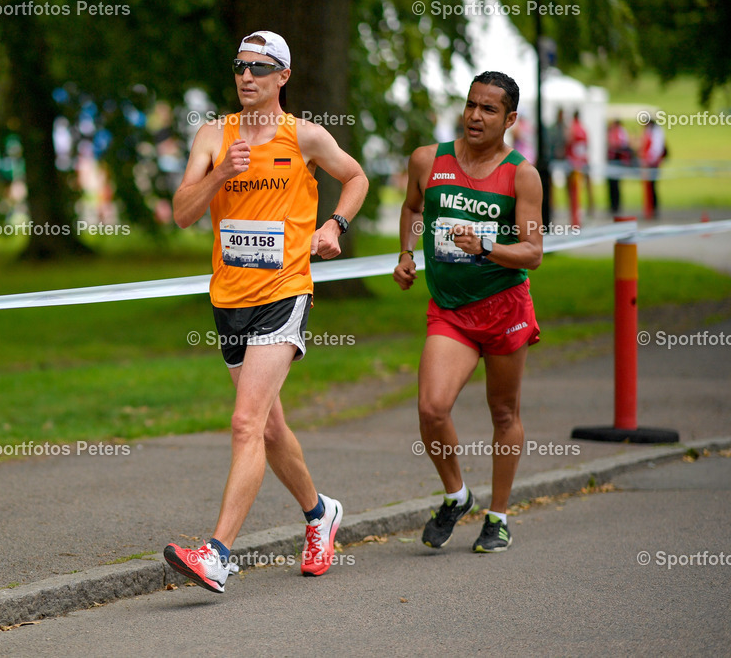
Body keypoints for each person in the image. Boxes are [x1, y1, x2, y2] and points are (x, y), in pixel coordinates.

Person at [164, 31, 368, 592]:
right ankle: (320, 512)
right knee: (271, 428)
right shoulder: (213, 135)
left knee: (245, 423)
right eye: (239, 66)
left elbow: (356, 177)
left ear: (283, 76)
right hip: (228, 298)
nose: (246, 76)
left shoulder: (304, 135)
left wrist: (334, 225)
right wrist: (220, 173)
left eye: (260, 67)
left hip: (285, 291)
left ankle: (217, 553)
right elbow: (182, 213)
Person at [393, 71, 543, 553]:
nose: (476, 116)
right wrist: (406, 254)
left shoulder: (521, 174)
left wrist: (486, 244)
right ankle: (457, 495)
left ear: (510, 119)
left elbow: (533, 251)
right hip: (451, 311)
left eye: (489, 109)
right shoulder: (427, 160)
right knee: (431, 408)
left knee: (503, 411)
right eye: (471, 105)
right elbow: (414, 210)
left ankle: (497, 517)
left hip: (504, 310)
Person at [565, 110, 591, 224]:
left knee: (573, 193)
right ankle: (579, 217)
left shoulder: (572, 129)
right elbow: (586, 145)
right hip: (582, 163)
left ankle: (575, 219)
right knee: (580, 191)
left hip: (573, 165)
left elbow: (568, 143)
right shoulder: (583, 129)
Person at [640, 116, 666, 219]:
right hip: (647, 163)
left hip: (652, 164)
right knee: (648, 187)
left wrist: (649, 160)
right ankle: (649, 210)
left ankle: (654, 209)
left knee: (653, 186)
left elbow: (656, 148)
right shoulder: (648, 131)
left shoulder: (657, 131)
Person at [606, 119, 632, 215]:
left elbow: (621, 145)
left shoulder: (621, 132)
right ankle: (612, 205)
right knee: (611, 185)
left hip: (617, 161)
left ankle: (616, 205)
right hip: (611, 161)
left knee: (616, 185)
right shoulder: (611, 132)